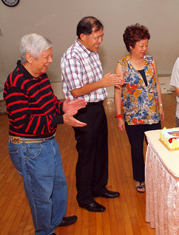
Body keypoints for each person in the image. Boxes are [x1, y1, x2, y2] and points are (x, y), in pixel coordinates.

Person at [3, 33, 87, 235]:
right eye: (46, 57)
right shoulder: (15, 83)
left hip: (46, 141)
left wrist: (64, 107)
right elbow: (24, 122)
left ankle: (56, 219)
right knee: (40, 193)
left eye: (50, 56)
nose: (50, 61)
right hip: (28, 148)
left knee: (58, 184)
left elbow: (49, 103)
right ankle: (44, 230)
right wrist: (61, 118)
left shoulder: (40, 75)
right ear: (29, 57)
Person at [61, 16, 124, 212]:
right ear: (83, 36)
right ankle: (85, 197)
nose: (100, 41)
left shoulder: (92, 52)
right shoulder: (72, 56)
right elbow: (76, 91)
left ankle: (99, 187)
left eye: (101, 37)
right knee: (87, 154)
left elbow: (97, 82)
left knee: (100, 150)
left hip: (97, 107)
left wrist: (110, 81)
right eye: (96, 37)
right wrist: (103, 83)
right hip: (82, 109)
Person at [114, 24, 164, 193]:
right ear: (130, 45)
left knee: (155, 148)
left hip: (152, 114)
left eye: (146, 45)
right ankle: (140, 179)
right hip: (133, 116)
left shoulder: (151, 61)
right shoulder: (122, 65)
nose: (145, 48)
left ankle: (155, 175)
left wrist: (161, 106)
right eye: (141, 45)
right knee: (136, 149)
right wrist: (119, 116)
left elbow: (156, 83)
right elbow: (117, 93)